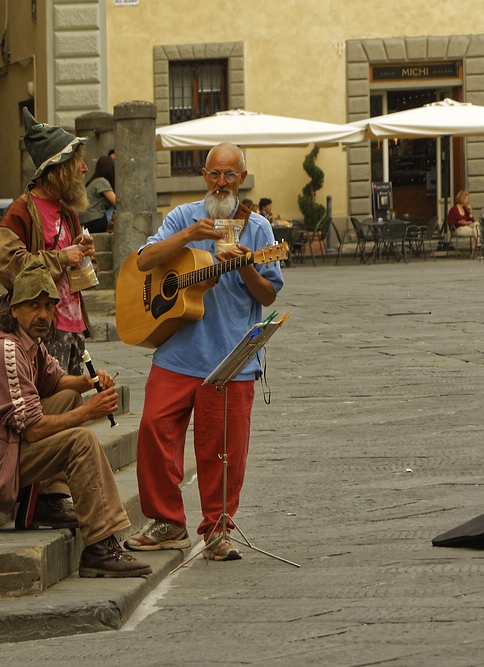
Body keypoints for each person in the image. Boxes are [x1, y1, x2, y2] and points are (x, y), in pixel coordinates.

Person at [124, 142, 284, 561]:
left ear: (243, 179)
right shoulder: (182, 216)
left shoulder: (259, 230)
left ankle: (217, 530)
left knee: (223, 451)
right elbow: (144, 262)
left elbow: (268, 296)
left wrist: (246, 263)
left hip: (230, 357)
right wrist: (192, 234)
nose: (221, 182)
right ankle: (167, 523)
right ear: (203, 174)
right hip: (178, 350)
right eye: (215, 173)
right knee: (153, 431)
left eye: (230, 175)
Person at [0, 259, 152, 578]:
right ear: (14, 309)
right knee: (81, 441)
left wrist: (87, 382)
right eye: (32, 306)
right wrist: (89, 411)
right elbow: (32, 430)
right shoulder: (5, 350)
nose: (42, 315)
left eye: (48, 306)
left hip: (6, 445)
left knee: (69, 396)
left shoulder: (30, 341)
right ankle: (99, 547)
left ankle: (48, 500)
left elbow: (54, 381)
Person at [0, 108, 96, 377]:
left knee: (71, 406)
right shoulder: (20, 212)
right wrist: (63, 257)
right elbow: (8, 266)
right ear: (58, 168)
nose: (85, 169)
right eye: (77, 163)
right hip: (43, 328)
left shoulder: (68, 212)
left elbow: (76, 279)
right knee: (48, 407)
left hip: (74, 327)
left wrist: (84, 258)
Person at [79, 155, 116, 233]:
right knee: (114, 207)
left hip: (85, 222)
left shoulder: (92, 182)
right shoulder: (101, 181)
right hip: (96, 221)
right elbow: (116, 202)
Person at [447, 190, 480, 256]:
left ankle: (475, 247)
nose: (468, 201)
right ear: (462, 199)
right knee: (476, 231)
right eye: (467, 199)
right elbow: (450, 222)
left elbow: (472, 221)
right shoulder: (453, 209)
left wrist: (471, 211)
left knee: (476, 224)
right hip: (458, 228)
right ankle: (477, 245)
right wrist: (459, 222)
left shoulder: (465, 209)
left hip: (467, 226)